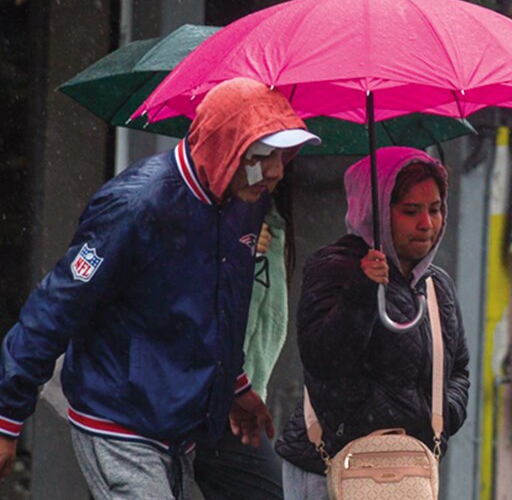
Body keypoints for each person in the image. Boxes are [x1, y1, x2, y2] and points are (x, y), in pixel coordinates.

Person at [0, 77, 320, 499]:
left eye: (285, 155)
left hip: (186, 415)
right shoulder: (136, 205)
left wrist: (236, 385)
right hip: (119, 415)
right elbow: (56, 305)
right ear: (222, 146)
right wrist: (7, 417)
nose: (277, 172)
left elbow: (220, 304)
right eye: (263, 156)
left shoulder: (245, 198)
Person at [275, 147, 471, 498]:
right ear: (375, 211)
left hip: (404, 471)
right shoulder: (334, 268)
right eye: (410, 211)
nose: (426, 224)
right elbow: (323, 360)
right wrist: (362, 291)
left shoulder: (435, 285)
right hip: (331, 467)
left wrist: (438, 417)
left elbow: (457, 370)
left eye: (436, 209)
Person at [193, 183, 295, 500]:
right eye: (262, 156)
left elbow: (268, 323)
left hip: (232, 395)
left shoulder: (272, 224)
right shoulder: (188, 206)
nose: (276, 169)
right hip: (195, 394)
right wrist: (231, 241)